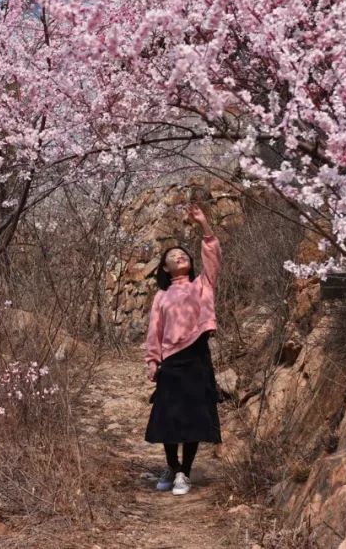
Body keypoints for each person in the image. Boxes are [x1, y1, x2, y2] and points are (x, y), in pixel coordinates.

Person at [143, 202, 223, 496]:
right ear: (165, 268)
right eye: (172, 256)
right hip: (172, 361)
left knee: (193, 416)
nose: (179, 256)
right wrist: (153, 360)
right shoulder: (161, 296)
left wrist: (204, 225)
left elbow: (212, 257)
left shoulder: (203, 284)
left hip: (198, 356)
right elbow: (155, 330)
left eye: (182, 254)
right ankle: (171, 466)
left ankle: (184, 474)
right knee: (168, 416)